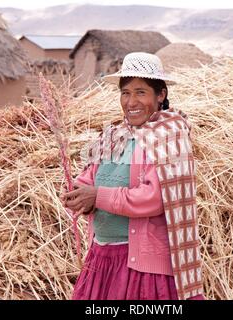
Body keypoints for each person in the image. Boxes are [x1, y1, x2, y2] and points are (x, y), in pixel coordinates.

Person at [60, 52, 205, 300]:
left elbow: (153, 198)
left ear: (161, 95)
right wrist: (79, 193)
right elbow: (91, 176)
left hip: (142, 270)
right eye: (125, 93)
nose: (131, 101)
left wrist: (97, 196)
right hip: (102, 260)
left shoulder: (170, 137)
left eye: (141, 92)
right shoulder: (114, 135)